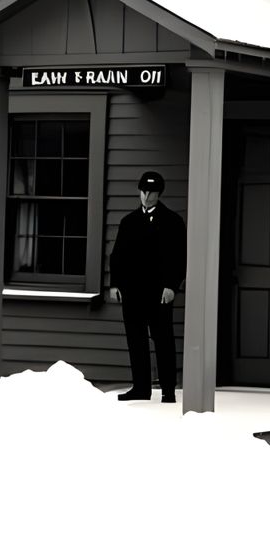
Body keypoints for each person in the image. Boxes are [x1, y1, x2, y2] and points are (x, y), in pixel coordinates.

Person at [107, 171, 186, 403]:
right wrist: (115, 284)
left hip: (159, 293)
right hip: (132, 292)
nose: (146, 196)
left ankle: (168, 389)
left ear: (159, 194)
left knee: (163, 340)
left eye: (151, 192)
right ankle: (141, 387)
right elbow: (117, 256)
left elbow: (179, 257)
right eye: (143, 191)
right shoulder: (128, 221)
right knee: (136, 339)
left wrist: (172, 285)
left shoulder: (172, 221)